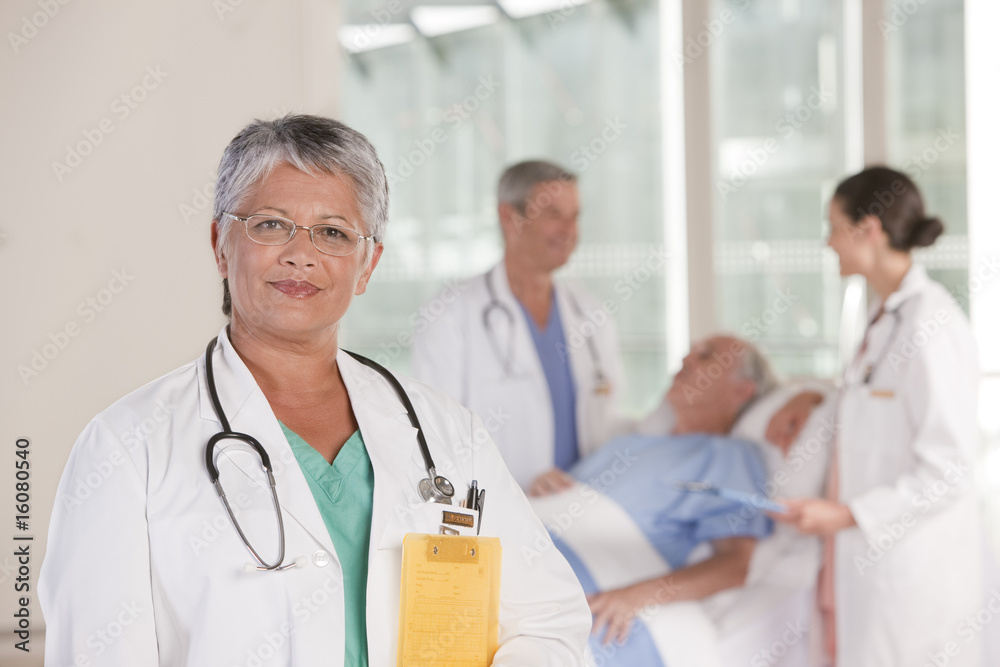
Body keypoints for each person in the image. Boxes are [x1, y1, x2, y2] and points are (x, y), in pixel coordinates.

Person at [39, 115, 591, 666]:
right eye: (271, 225)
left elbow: (549, 621)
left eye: (332, 232)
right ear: (220, 244)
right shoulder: (126, 446)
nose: (300, 254)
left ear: (368, 263)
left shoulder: (447, 432)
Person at [766, 166, 983, 667]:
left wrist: (845, 515)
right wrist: (812, 396)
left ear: (869, 230)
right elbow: (872, 397)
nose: (828, 243)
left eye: (834, 227)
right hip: (875, 571)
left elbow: (949, 469)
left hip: (914, 578)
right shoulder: (886, 316)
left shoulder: (932, 325)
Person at [530, 335, 778, 664]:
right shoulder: (628, 444)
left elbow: (733, 564)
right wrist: (550, 485)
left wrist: (636, 597)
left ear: (742, 391)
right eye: (687, 353)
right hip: (522, 549)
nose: (685, 361)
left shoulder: (729, 456)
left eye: (705, 356)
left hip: (562, 590)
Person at [411, 160, 630, 493]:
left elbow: (609, 423)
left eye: (575, 216)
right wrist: (513, 492)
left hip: (581, 517)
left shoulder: (591, 314)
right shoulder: (450, 313)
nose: (569, 230)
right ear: (510, 218)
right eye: (554, 214)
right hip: (496, 521)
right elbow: (435, 437)